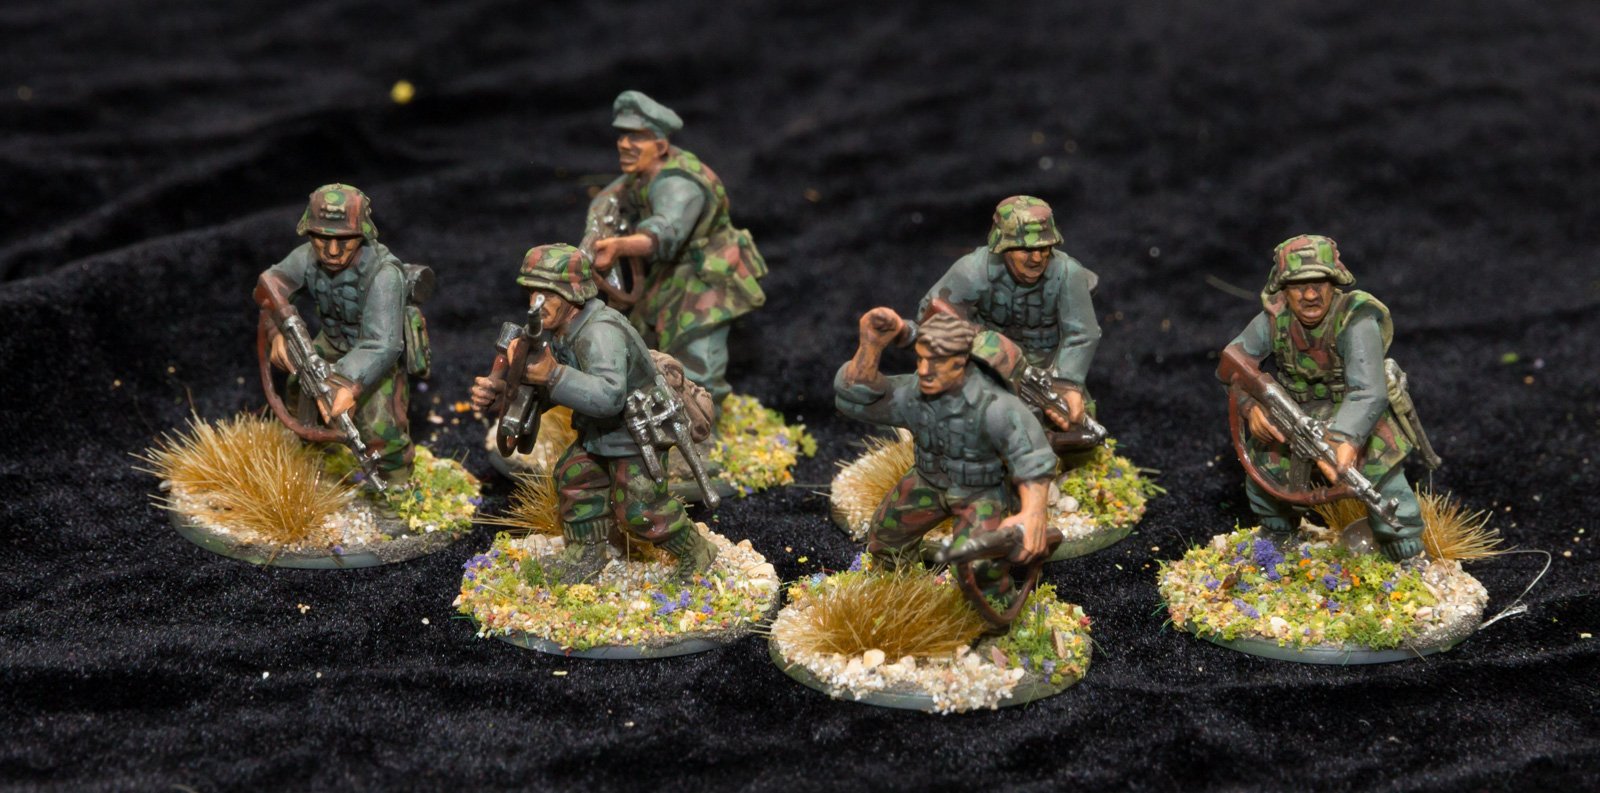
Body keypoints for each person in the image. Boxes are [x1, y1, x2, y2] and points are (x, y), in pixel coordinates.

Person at [469, 243, 717, 582]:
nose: (535, 304)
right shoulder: (563, 332)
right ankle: (587, 553)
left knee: (640, 509)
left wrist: (553, 375)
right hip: (600, 432)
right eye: (532, 293)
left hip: (635, 435)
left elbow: (608, 396)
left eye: (547, 294)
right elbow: (553, 393)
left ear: (573, 294)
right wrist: (501, 394)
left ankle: (696, 552)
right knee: (575, 479)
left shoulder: (600, 333)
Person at [834, 306, 1057, 624]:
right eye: (921, 359)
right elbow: (854, 396)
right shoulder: (915, 394)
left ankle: (996, 620)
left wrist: (1033, 515)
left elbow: (1033, 459)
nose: (925, 370)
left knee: (980, 566)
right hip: (927, 481)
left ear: (960, 362)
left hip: (980, 492)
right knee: (886, 537)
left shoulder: (994, 406)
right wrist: (870, 347)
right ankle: (897, 595)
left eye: (936, 362)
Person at [1220, 234, 1434, 561]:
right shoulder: (1272, 321)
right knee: (1266, 471)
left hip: (1353, 414)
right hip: (1292, 414)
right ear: (1283, 289)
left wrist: (1346, 437)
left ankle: (1403, 547)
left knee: (1380, 474)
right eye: (1298, 286)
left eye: (1319, 283)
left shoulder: (1355, 320)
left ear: (1334, 283)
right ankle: (1277, 534)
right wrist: (1251, 407)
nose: (1310, 295)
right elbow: (1231, 366)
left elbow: (1368, 390)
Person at [583, 90, 768, 412]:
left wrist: (618, 246)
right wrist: (595, 231)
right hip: (672, 273)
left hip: (708, 277)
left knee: (697, 355)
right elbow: (608, 198)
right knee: (643, 338)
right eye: (623, 135)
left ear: (660, 146)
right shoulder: (644, 172)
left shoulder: (678, 184)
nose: (624, 144)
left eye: (636, 137)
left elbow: (662, 233)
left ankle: (705, 428)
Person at [256, 183, 414, 485]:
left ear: (363, 234)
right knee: (299, 391)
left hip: (372, 359)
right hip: (329, 342)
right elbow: (269, 288)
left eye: (344, 239)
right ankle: (314, 460)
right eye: (322, 238)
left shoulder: (384, 275)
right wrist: (277, 333)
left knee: (380, 424)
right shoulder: (305, 258)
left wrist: (344, 382)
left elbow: (383, 343)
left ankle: (396, 489)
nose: (331, 251)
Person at [908, 196, 1101, 435]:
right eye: (1026, 250)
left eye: (1043, 248)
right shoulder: (973, 271)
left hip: (1046, 369)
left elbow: (1082, 333)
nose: (1037, 259)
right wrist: (977, 341)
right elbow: (928, 314)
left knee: (1075, 425)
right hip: (986, 363)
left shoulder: (1067, 274)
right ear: (1003, 247)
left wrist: (1068, 383)